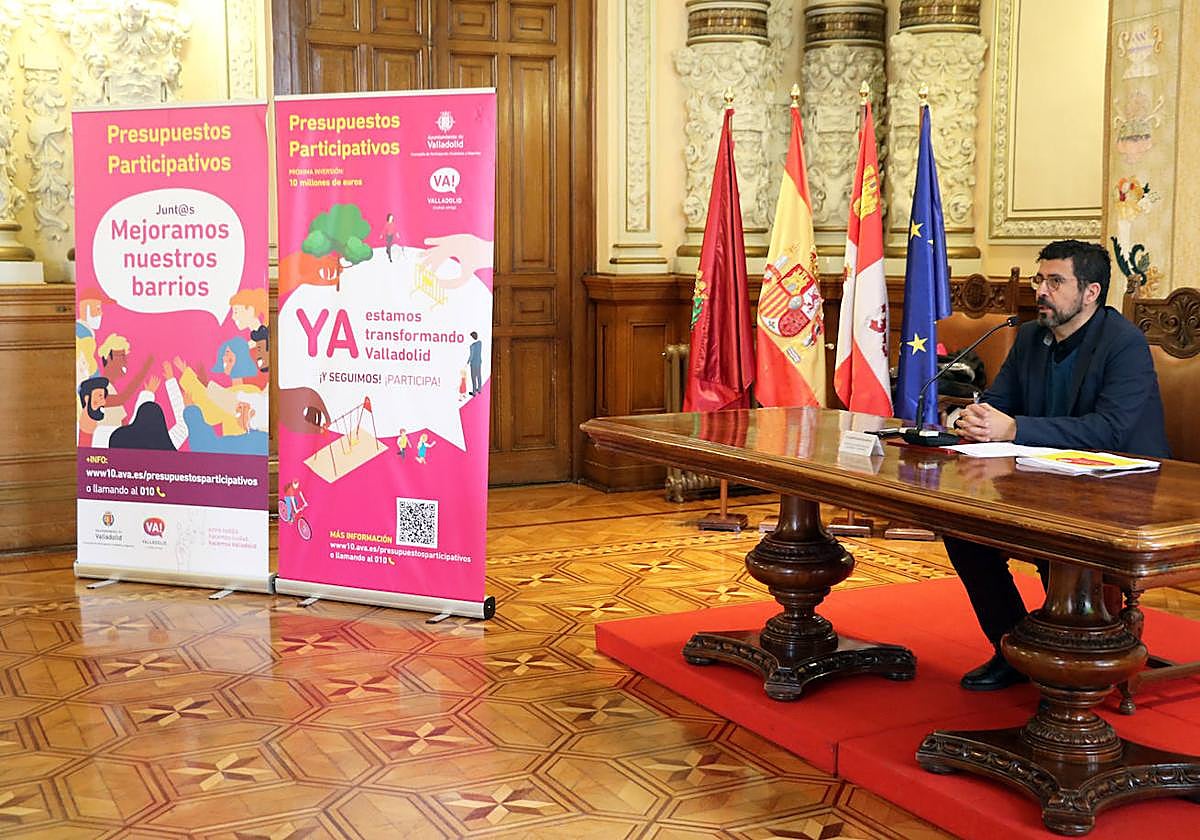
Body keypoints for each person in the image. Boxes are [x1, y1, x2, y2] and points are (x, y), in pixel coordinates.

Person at [948, 239, 1170, 691]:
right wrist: (975, 418)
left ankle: (1077, 654)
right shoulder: (1031, 336)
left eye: (1055, 281)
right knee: (961, 526)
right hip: (1044, 478)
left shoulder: (1123, 343)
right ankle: (1013, 646)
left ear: (1090, 292)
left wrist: (1013, 430)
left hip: (1125, 489)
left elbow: (1108, 432)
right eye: (1038, 279)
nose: (1041, 291)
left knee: (1059, 536)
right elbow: (998, 403)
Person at [467, 331, 483, 396]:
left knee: (473, 377)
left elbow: (471, 355)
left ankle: (474, 392)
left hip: (473, 363)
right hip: (479, 362)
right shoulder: (480, 343)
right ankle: (479, 389)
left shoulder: (472, 346)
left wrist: (467, 362)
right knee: (479, 376)